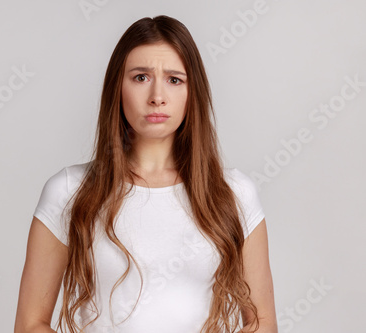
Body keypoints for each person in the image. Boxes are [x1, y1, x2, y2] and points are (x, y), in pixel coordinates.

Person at [14, 15, 277, 333]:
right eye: (140, 77)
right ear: (117, 87)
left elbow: (262, 322)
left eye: (174, 79)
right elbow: (31, 324)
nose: (157, 96)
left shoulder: (235, 192)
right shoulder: (69, 190)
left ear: (192, 93)